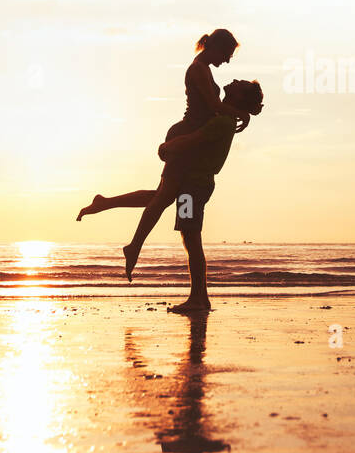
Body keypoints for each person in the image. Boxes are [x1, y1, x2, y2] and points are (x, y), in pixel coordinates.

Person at [77, 29, 249, 280]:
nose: (228, 60)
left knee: (163, 196)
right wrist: (240, 113)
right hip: (184, 139)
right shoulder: (198, 68)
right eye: (228, 53)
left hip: (188, 145)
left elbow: (212, 112)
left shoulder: (205, 68)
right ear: (217, 47)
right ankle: (134, 245)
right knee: (163, 200)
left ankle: (106, 204)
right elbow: (212, 107)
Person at [81, 79, 264, 314]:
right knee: (160, 198)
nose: (236, 80)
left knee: (191, 240)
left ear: (239, 97)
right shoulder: (223, 114)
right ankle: (106, 203)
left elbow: (194, 139)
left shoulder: (222, 121)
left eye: (241, 84)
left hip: (194, 187)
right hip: (192, 183)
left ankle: (198, 298)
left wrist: (169, 146)